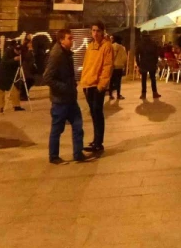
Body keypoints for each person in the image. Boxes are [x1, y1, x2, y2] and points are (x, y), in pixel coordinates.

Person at [43, 28, 89, 164]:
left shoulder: (66, 53)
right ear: (62, 40)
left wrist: (72, 83)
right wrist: (64, 87)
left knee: (78, 125)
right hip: (60, 100)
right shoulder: (56, 55)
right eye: (69, 38)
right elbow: (47, 77)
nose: (72, 40)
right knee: (57, 129)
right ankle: (54, 156)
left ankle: (78, 153)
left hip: (70, 98)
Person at [79, 21, 113, 154]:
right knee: (93, 114)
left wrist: (101, 85)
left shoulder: (107, 46)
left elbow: (107, 67)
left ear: (103, 31)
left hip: (97, 85)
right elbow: (86, 64)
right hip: (88, 84)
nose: (95, 33)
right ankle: (95, 140)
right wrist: (83, 82)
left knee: (98, 113)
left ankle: (99, 143)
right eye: (93, 30)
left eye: (98, 30)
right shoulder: (90, 46)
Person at [0, 41, 23, 113]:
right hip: (2, 75)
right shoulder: (7, 53)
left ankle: (16, 105)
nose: (18, 52)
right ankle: (1, 107)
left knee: (15, 90)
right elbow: (5, 63)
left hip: (11, 76)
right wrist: (14, 60)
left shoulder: (21, 54)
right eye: (17, 50)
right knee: (0, 91)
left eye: (20, 50)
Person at [136, 32, 161, 100]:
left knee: (143, 79)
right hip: (152, 63)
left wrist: (138, 63)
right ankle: (154, 93)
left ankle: (143, 94)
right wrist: (156, 63)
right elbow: (156, 54)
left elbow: (137, 55)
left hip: (143, 63)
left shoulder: (140, 44)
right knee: (153, 78)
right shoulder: (153, 43)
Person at [109, 33, 128, 102]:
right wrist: (122, 63)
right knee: (118, 81)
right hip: (119, 67)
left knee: (111, 81)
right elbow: (125, 58)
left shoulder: (110, 46)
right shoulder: (122, 47)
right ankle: (118, 94)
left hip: (111, 67)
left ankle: (110, 95)